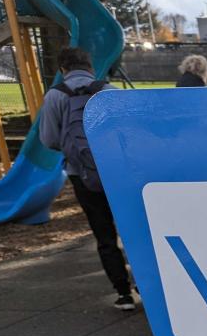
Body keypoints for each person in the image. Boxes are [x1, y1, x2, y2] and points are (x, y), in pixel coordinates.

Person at [39, 46, 136, 311]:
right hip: (117, 172)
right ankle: (142, 280)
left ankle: (123, 293)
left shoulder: (55, 97)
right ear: (91, 67)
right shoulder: (109, 92)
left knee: (104, 234)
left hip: (81, 175)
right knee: (132, 229)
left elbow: (48, 139)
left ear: (62, 69)